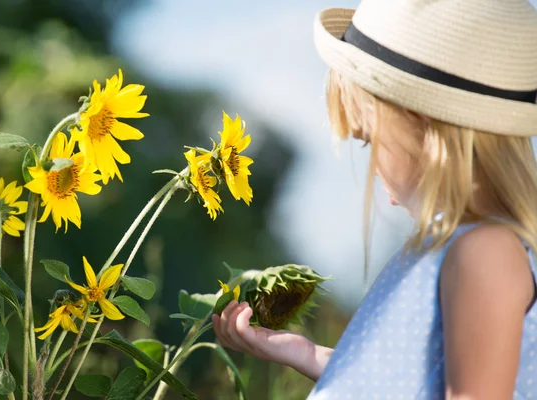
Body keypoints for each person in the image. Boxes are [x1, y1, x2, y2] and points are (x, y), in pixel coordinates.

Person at [212, 0, 537, 398]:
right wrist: (307, 354)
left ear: (425, 128)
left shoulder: (483, 253)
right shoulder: (455, 248)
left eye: (370, 140)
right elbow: (407, 383)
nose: (374, 170)